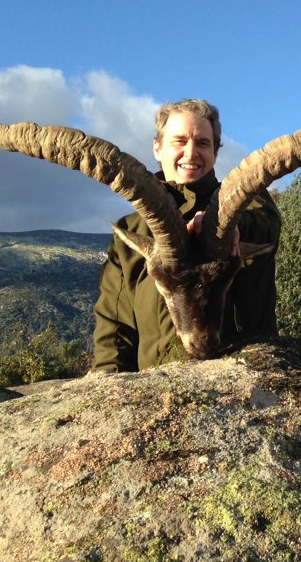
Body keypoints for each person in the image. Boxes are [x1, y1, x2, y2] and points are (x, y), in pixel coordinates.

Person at [92, 99, 281, 372]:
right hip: (154, 388)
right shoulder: (133, 230)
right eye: (179, 141)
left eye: (203, 143)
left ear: (216, 152)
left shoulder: (247, 205)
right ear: (157, 147)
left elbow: (266, 226)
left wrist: (229, 227)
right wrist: (106, 386)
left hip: (245, 379)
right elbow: (115, 326)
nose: (190, 153)